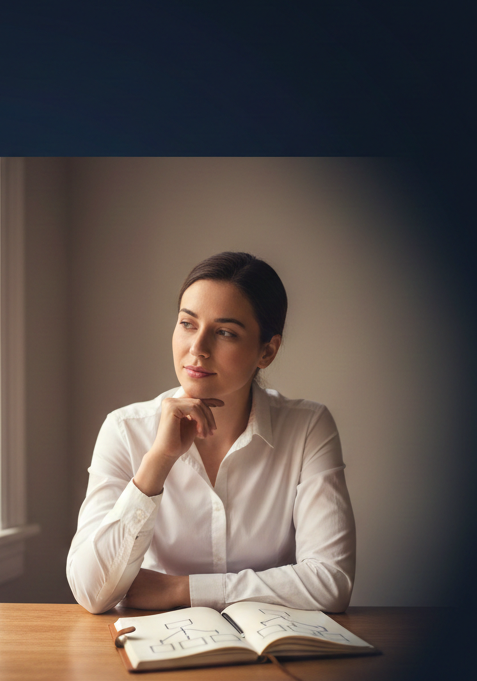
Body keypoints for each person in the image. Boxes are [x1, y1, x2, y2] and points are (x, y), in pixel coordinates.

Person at [67, 252, 355, 616]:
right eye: (188, 324)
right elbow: (92, 592)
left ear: (267, 351)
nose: (197, 349)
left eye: (225, 333)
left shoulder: (308, 427)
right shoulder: (125, 430)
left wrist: (179, 589)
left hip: (270, 653)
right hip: (156, 651)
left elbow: (331, 582)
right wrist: (158, 460)